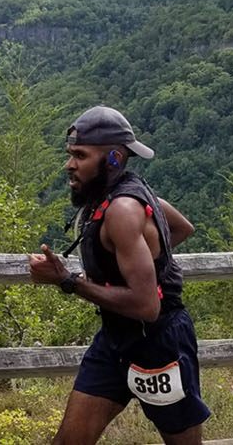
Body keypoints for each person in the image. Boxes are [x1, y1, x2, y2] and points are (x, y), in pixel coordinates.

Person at [28, 106, 209, 444]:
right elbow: (182, 228)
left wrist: (67, 280)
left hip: (160, 344)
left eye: (80, 155)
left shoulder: (123, 210)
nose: (69, 165)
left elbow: (146, 307)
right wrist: (143, 261)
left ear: (114, 158)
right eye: (70, 154)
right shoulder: (111, 197)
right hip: (114, 339)